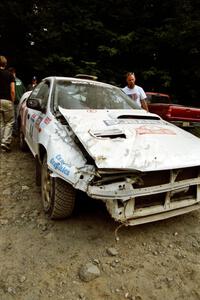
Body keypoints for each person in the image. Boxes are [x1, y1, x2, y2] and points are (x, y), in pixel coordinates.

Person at [0, 56, 15, 152]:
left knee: (1, 122)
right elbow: (13, 90)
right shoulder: (10, 75)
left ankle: (1, 141)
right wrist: (12, 101)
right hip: (7, 100)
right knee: (9, 121)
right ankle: (5, 142)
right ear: (5, 64)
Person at [8, 67, 26, 135]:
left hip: (14, 101)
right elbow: (24, 91)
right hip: (21, 102)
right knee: (18, 116)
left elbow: (12, 91)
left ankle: (15, 132)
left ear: (12, 73)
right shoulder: (20, 81)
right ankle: (18, 130)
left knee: (13, 117)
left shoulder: (11, 81)